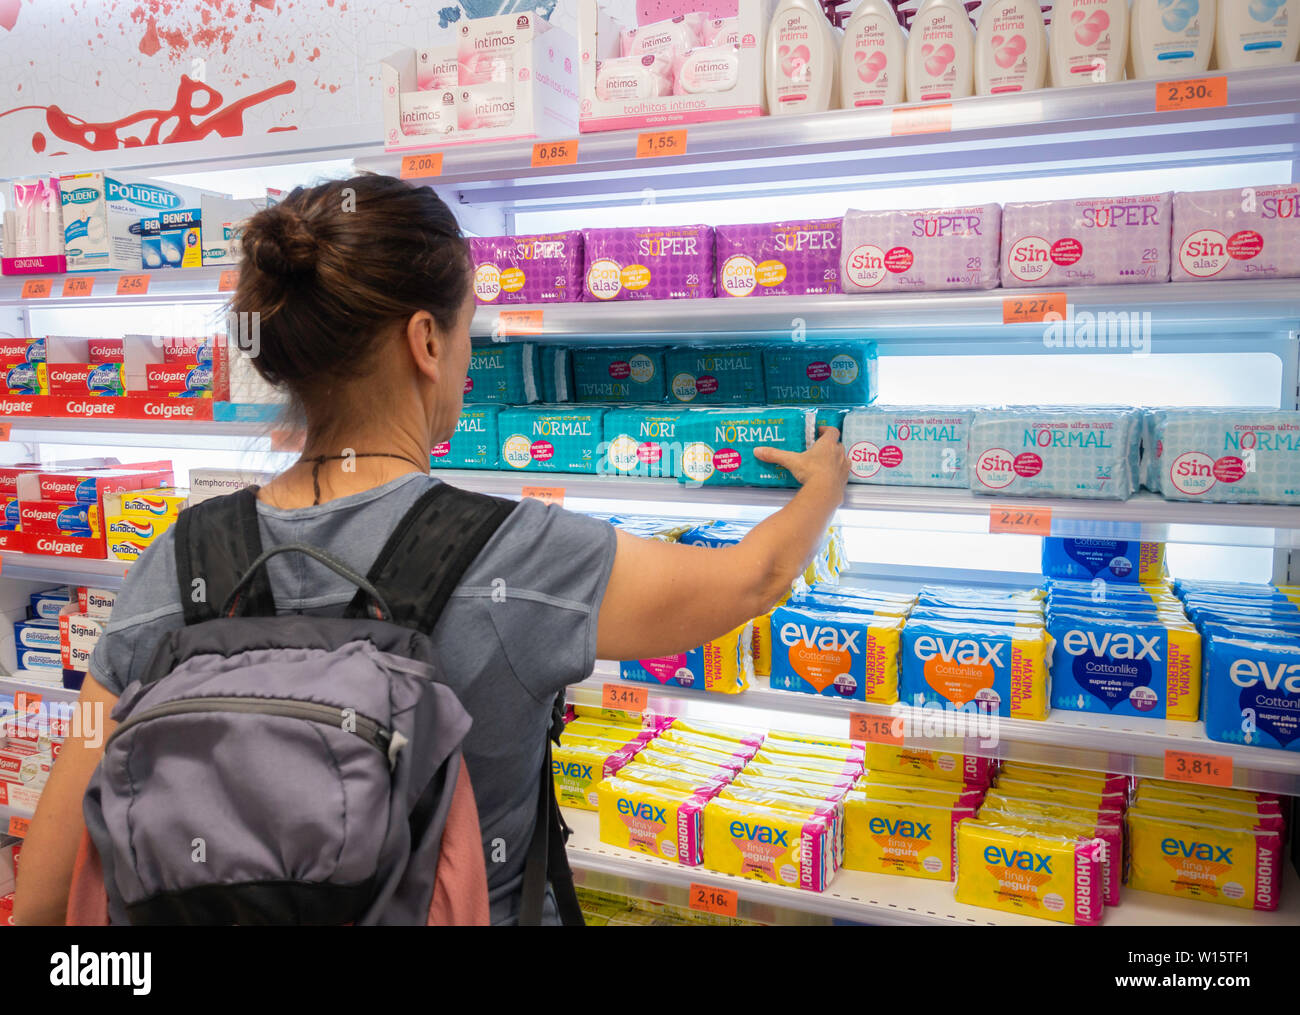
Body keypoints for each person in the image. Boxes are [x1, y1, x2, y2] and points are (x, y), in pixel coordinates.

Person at [14, 174, 849, 926]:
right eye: (467, 330)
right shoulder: (519, 553)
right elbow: (755, 574)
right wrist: (820, 484)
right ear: (426, 341)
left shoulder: (179, 555)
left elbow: (50, 889)